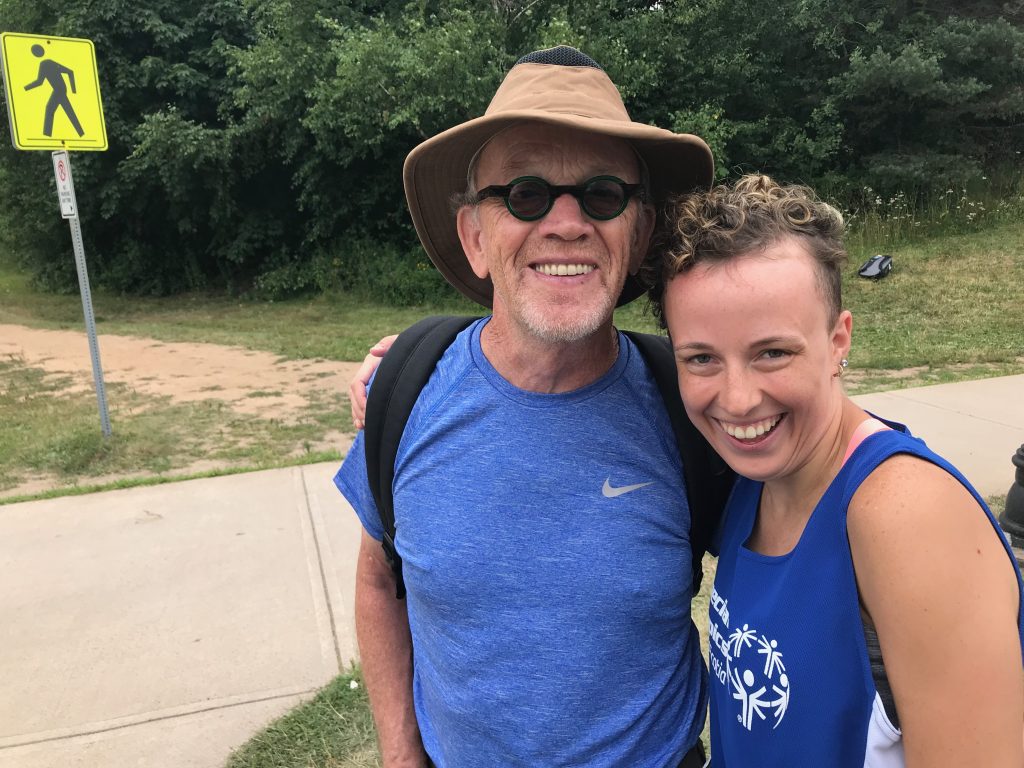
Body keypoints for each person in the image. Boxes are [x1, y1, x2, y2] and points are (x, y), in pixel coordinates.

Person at [334, 46, 716, 767]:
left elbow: (811, 514)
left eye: (603, 194)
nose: (567, 222)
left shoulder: (690, 406)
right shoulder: (407, 391)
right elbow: (378, 579)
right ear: (476, 238)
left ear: (637, 234)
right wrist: (399, 753)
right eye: (526, 194)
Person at [643, 174, 1024, 766]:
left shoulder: (904, 514)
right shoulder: (755, 482)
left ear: (838, 339)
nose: (739, 400)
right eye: (701, 359)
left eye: (773, 352)